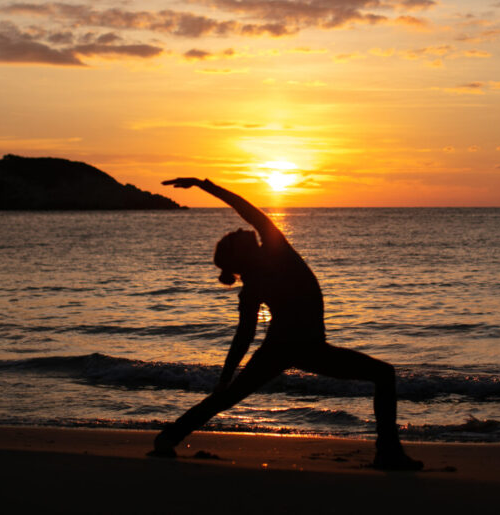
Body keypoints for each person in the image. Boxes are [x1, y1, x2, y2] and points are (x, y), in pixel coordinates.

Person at [150, 177, 422, 470]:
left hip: (284, 348)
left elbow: (244, 336)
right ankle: (388, 452)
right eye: (236, 235)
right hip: (304, 347)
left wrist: (225, 378)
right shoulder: (275, 252)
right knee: (383, 374)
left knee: (226, 398)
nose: (242, 229)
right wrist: (204, 186)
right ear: (241, 253)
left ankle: (168, 438)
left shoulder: (254, 280)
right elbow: (246, 210)